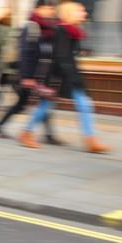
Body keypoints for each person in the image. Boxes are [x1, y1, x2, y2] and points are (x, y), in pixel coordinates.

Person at [38, 1, 108, 153]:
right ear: (70, 12)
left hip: (69, 74)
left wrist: (81, 51)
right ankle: (27, 131)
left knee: (84, 105)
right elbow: (61, 56)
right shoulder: (62, 30)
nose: (84, 14)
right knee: (46, 106)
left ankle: (91, 140)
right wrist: (72, 75)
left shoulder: (73, 31)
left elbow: (68, 53)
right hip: (61, 75)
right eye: (80, 11)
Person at [0, 0, 62, 145]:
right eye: (48, 8)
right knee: (28, 103)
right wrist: (27, 76)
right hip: (26, 75)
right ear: (39, 8)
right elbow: (25, 53)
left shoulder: (46, 28)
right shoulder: (31, 27)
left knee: (38, 102)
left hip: (38, 74)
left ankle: (48, 134)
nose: (51, 11)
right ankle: (47, 135)